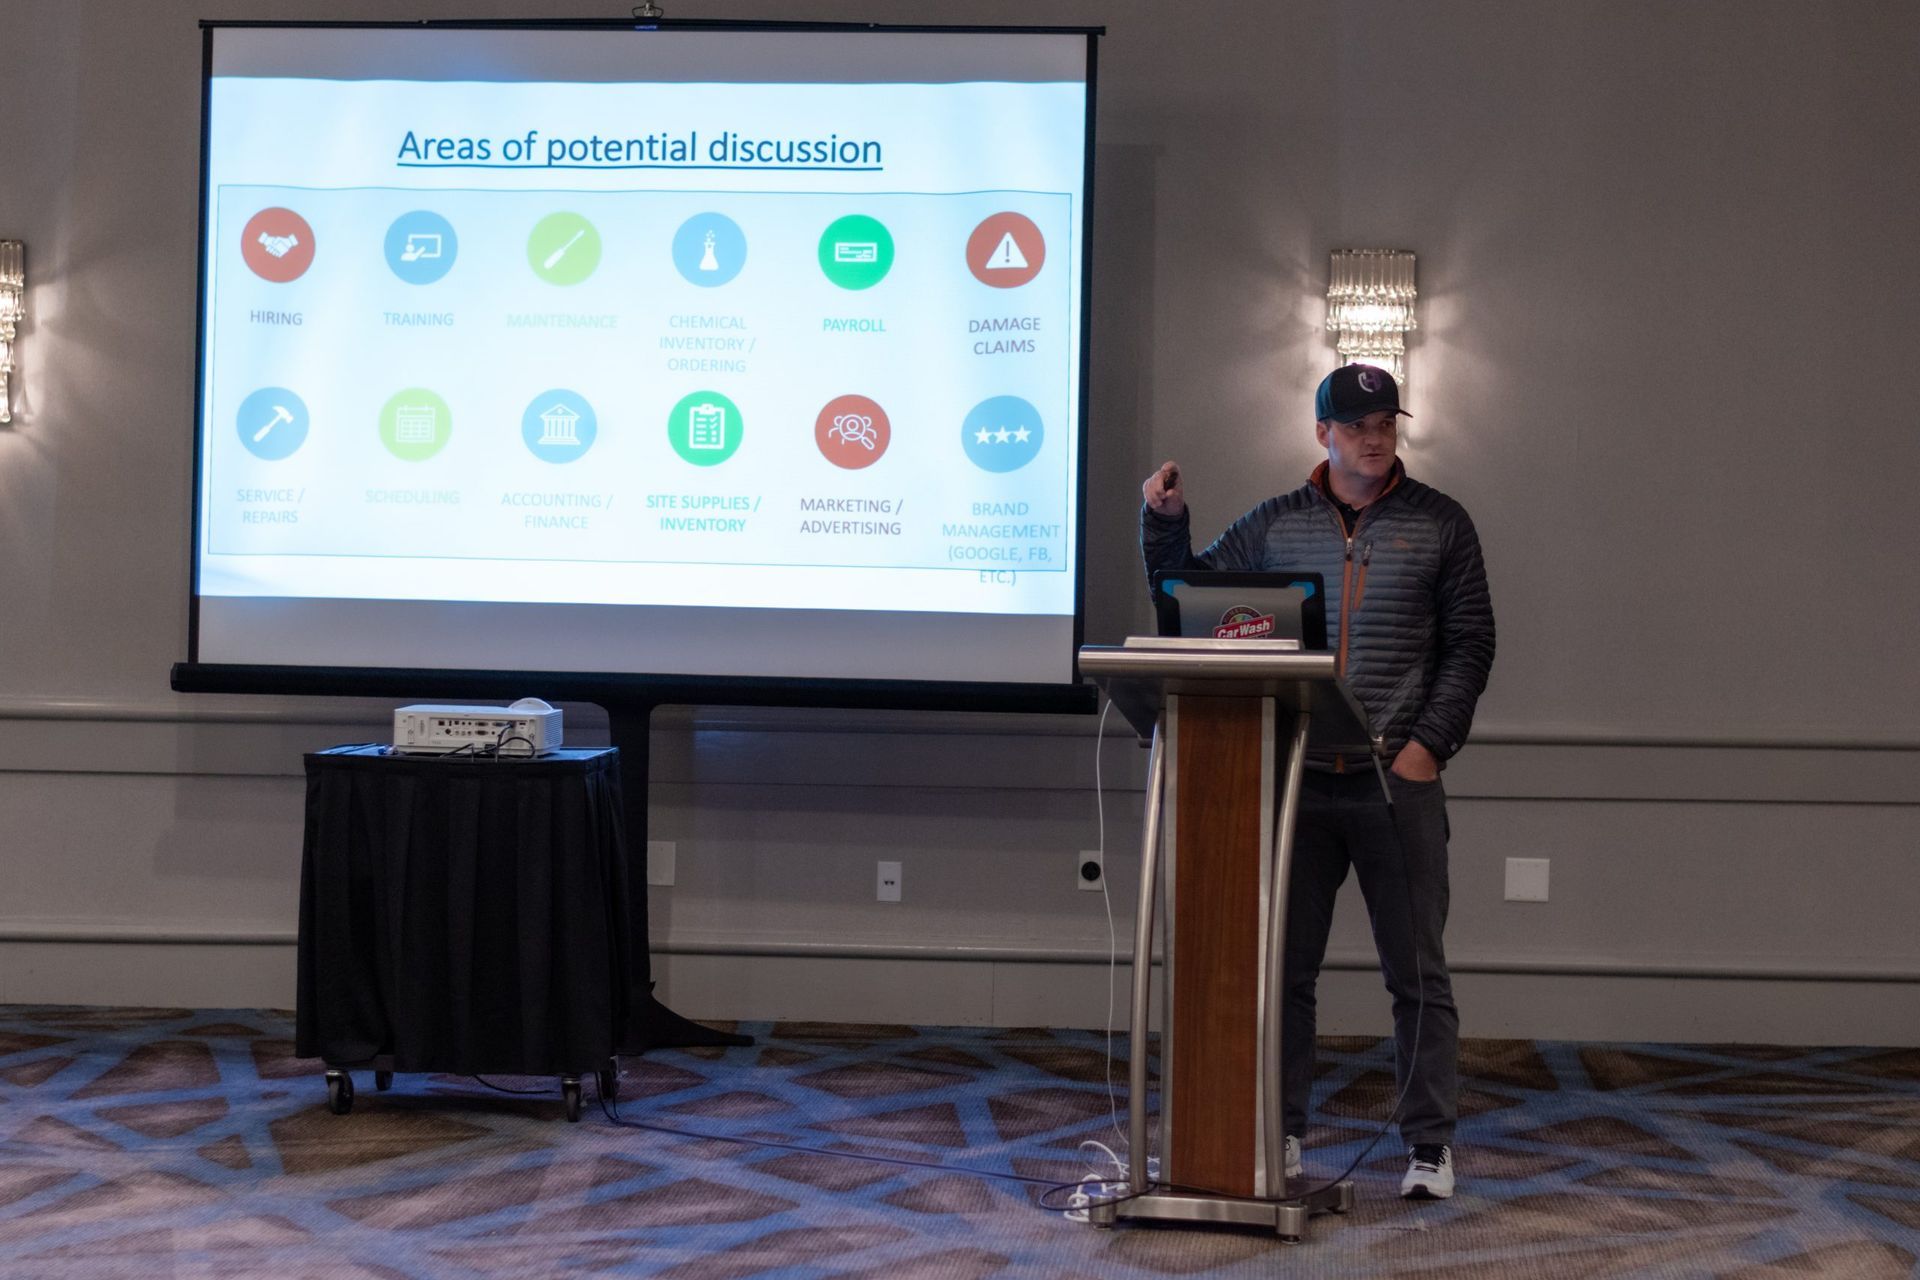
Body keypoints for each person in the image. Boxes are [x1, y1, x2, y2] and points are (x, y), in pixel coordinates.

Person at [1138, 363, 1494, 1200]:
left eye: (1386, 424)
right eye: (1358, 426)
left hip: (1394, 783)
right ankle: (1283, 1135)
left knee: (1417, 975)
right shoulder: (1273, 524)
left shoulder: (1442, 524)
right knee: (1284, 973)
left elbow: (1471, 645)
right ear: (1323, 434)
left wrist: (1427, 748)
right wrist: (1164, 523)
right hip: (1295, 781)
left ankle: (1429, 1149)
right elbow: (1187, 596)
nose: (1376, 439)